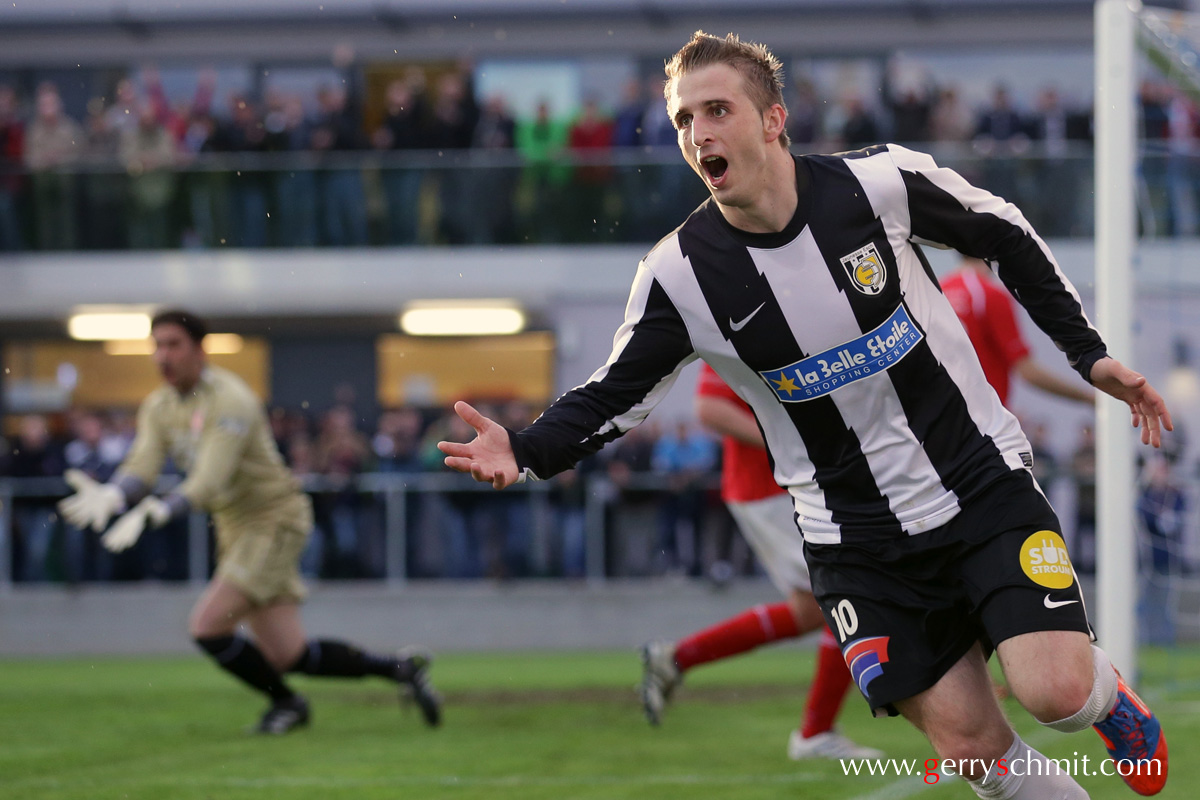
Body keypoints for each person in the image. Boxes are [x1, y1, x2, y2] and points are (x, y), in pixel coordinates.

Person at [439, 32, 1173, 798]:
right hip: (853, 539)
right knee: (971, 750)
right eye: (685, 118)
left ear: (773, 120)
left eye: (718, 110)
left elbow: (1005, 234)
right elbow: (613, 392)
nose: (699, 133)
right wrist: (524, 448)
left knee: (1053, 693)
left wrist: (1089, 355)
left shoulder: (879, 185)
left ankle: (1106, 698)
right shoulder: (679, 275)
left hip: (978, 485)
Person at [59, 309, 441, 734]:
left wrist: (159, 510)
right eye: (157, 345)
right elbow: (142, 464)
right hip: (235, 525)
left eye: (173, 345)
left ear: (198, 350)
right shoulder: (159, 404)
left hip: (273, 519)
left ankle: (289, 703)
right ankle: (401, 670)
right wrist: (114, 494)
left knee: (207, 626)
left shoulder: (231, 399)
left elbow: (208, 480)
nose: (162, 355)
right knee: (288, 654)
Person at [640, 363, 883, 761]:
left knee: (812, 612)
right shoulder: (739, 315)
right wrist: (793, 444)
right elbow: (709, 409)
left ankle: (677, 658)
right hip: (772, 488)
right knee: (851, 597)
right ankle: (815, 733)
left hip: (785, 485)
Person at [942, 256, 1095, 408]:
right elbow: (1026, 370)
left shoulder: (939, 289)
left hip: (943, 415)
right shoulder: (989, 295)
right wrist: (1088, 398)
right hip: (983, 419)